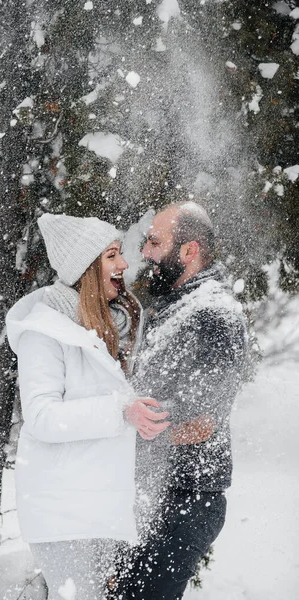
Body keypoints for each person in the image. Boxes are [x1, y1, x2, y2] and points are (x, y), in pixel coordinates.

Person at [5, 213, 170, 600]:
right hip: (65, 514)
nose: (124, 264)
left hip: (96, 509)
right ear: (86, 268)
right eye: (112, 255)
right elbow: (42, 418)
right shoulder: (44, 334)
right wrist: (120, 411)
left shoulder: (99, 329)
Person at [120, 201, 248, 600]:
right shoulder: (176, 308)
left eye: (155, 242)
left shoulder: (214, 314)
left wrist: (120, 433)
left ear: (189, 251)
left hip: (183, 502)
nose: (144, 252)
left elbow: (200, 424)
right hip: (154, 496)